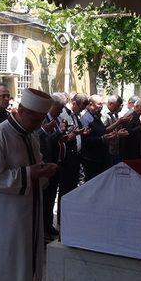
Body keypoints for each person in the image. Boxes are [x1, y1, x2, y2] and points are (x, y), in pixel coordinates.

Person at [0, 88, 58, 281]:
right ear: (21, 111)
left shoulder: (31, 136)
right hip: (5, 220)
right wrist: (30, 173)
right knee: (5, 268)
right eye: (35, 119)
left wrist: (42, 170)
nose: (39, 125)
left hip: (28, 214)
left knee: (26, 264)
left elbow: (35, 167)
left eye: (42, 120)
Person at [39, 94, 68, 238]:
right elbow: (44, 141)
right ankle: (43, 228)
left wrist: (63, 133)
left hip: (56, 163)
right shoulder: (44, 120)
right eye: (60, 108)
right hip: (47, 163)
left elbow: (56, 140)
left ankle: (49, 225)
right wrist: (57, 132)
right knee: (46, 198)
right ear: (53, 105)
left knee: (51, 198)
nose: (61, 111)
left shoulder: (55, 120)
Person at [57, 93, 87, 226]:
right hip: (67, 158)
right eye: (80, 107)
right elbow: (61, 137)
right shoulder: (63, 114)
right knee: (65, 190)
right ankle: (61, 220)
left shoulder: (75, 115)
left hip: (76, 157)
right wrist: (72, 135)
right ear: (74, 103)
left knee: (72, 189)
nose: (81, 111)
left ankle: (69, 216)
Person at [80, 94, 109, 180]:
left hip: (100, 157)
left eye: (102, 104)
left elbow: (101, 132)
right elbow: (85, 140)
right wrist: (102, 139)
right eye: (99, 104)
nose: (101, 106)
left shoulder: (96, 116)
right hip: (91, 159)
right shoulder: (86, 119)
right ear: (91, 104)